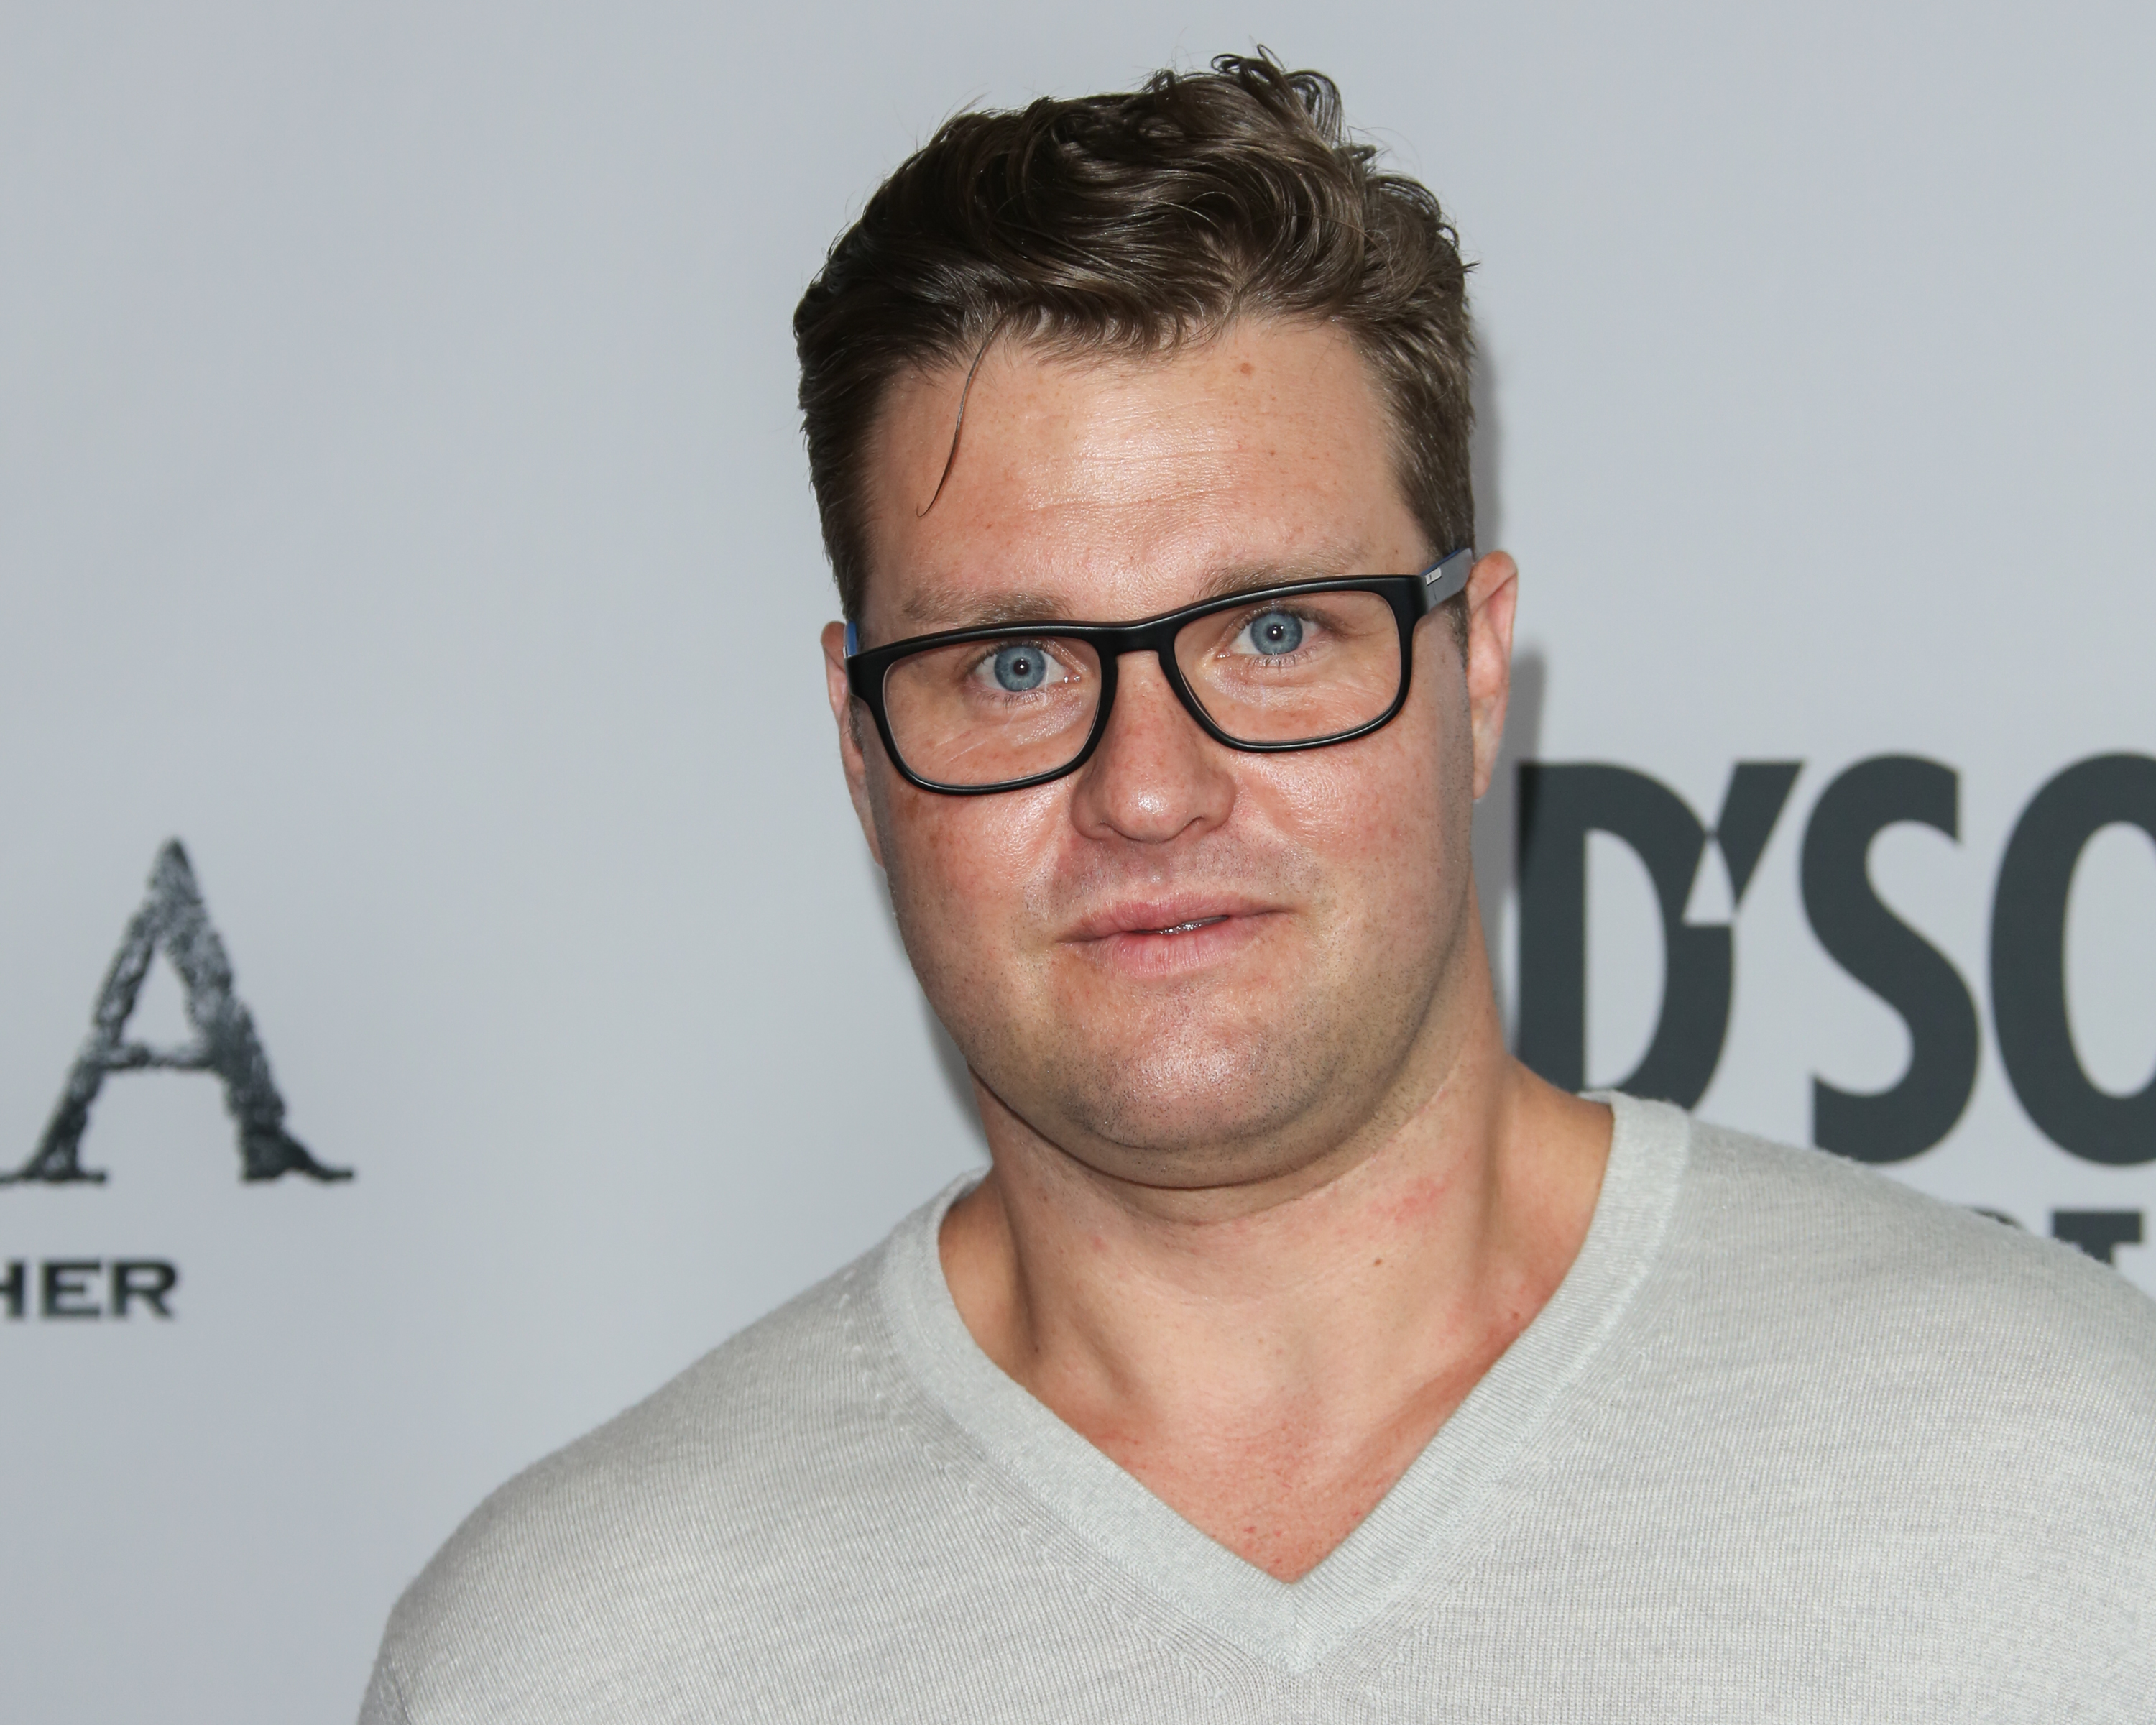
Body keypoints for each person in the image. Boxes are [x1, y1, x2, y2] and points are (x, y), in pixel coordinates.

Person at [359, 55, 2156, 1723]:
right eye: (1010, 665)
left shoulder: (2075, 1488)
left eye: (1277, 629)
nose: (1147, 786)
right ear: (857, 743)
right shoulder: (577, 1656)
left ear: (1472, 674)